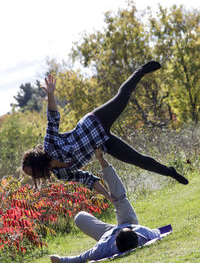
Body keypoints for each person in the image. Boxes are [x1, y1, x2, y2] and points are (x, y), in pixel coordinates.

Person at [22, 61, 188, 195]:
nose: (34, 176)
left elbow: (53, 118)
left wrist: (50, 94)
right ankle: (169, 172)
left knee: (122, 96)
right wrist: (108, 195)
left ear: (37, 163)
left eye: (32, 172)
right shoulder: (61, 174)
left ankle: (141, 70)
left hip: (94, 122)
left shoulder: (50, 145)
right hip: (103, 142)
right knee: (137, 160)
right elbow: (87, 179)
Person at [50, 147, 162, 263]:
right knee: (120, 198)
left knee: (79, 217)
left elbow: (83, 257)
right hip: (129, 222)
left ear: (114, 245)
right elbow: (158, 233)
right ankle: (100, 157)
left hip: (107, 233)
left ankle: (100, 157)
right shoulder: (142, 232)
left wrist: (61, 260)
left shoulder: (104, 247)